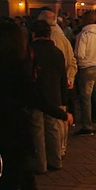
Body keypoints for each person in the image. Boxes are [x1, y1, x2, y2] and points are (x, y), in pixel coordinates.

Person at [0, 21, 72, 190]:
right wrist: (63, 114)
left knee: (25, 177)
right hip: (14, 130)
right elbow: (35, 99)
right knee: (9, 183)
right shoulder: (14, 68)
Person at [29, 20, 68, 173]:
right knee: (53, 129)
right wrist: (64, 98)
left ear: (34, 33)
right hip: (54, 94)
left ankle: (41, 164)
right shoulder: (57, 52)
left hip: (36, 96)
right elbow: (63, 77)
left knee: (38, 130)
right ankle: (56, 160)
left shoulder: (30, 51)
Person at [38, 10, 77, 160]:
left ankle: (56, 152)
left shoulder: (52, 39)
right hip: (63, 81)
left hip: (55, 83)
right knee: (60, 120)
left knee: (55, 122)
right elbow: (72, 60)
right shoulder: (62, 37)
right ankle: (60, 148)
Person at [74, 11, 96, 135]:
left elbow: (79, 53)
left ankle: (87, 125)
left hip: (86, 67)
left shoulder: (83, 34)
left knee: (86, 98)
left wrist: (85, 59)